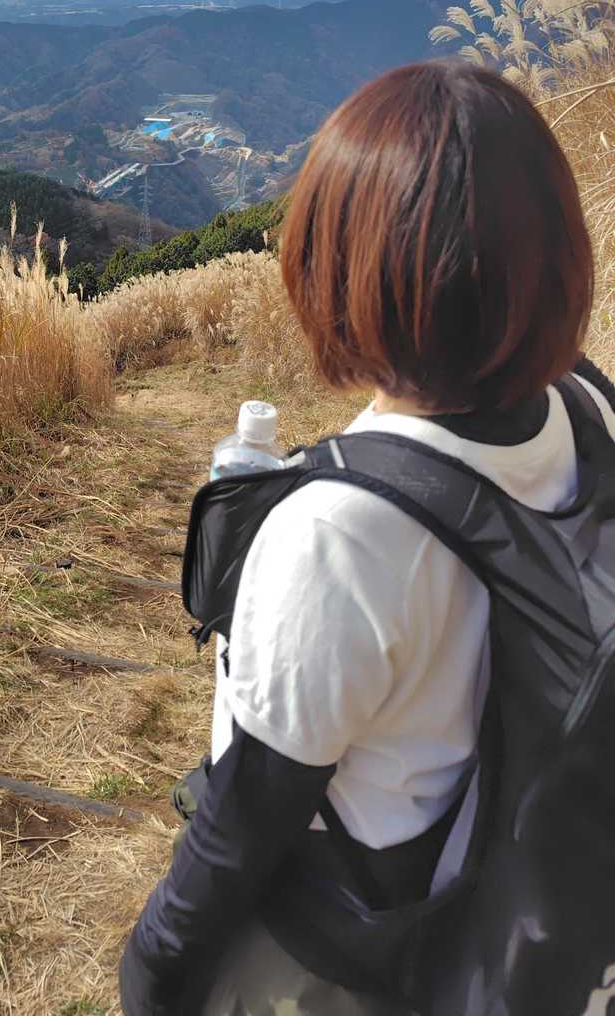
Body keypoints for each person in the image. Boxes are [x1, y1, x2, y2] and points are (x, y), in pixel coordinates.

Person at [119, 59, 608, 1016]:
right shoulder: (587, 405)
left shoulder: (341, 534)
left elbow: (239, 830)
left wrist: (149, 978)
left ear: (338, 272)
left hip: (382, 943)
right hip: (531, 889)